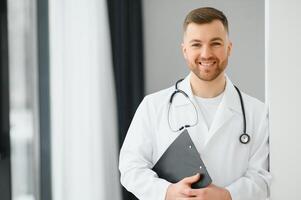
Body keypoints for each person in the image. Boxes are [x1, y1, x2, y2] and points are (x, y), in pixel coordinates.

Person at [119, 7, 271, 200]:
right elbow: (130, 168)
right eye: (196, 44)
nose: (206, 54)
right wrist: (167, 192)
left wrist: (227, 195)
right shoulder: (153, 106)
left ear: (229, 48)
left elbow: (262, 177)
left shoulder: (256, 112)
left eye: (215, 43)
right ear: (185, 50)